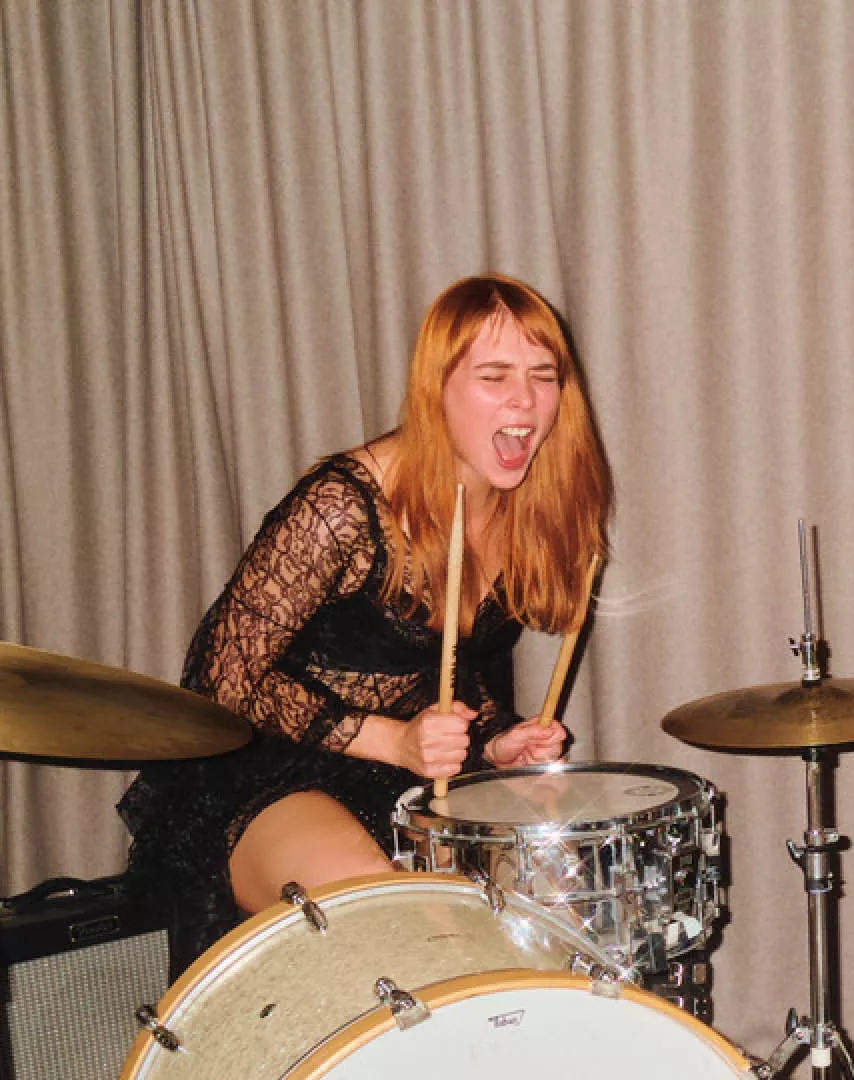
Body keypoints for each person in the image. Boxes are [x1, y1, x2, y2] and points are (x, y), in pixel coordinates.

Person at [118, 273, 613, 969]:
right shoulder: (344, 506)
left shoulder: (525, 506)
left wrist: (496, 738)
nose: (524, 401)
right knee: (397, 926)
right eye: (494, 375)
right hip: (265, 772)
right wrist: (392, 740)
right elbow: (220, 676)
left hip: (399, 777)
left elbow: (453, 672)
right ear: (435, 388)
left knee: (538, 931)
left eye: (543, 376)